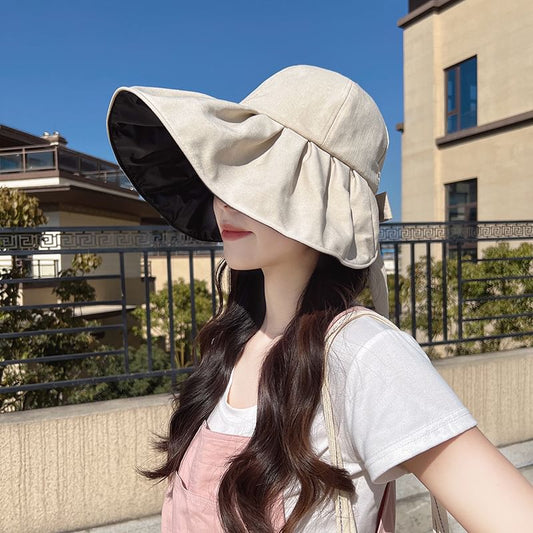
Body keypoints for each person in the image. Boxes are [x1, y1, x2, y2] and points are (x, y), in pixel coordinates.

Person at [107, 65, 533, 533]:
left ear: (325, 200)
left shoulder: (362, 352)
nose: (224, 201)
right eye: (224, 176)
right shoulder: (233, 339)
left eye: (254, 177)